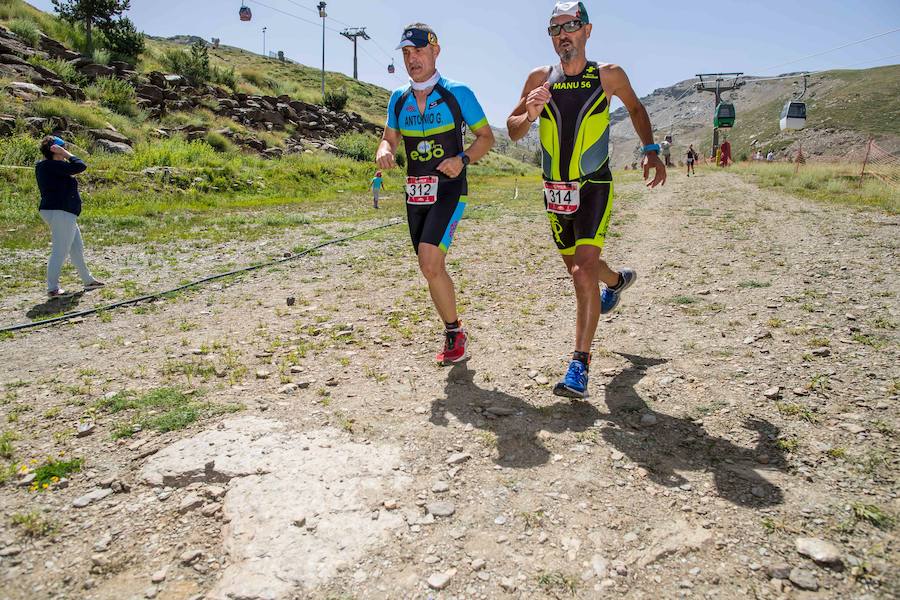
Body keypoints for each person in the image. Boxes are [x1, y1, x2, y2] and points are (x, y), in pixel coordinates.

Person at [507, 1, 665, 399]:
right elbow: (511, 130)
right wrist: (529, 113)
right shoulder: (539, 78)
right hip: (555, 189)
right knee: (581, 268)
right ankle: (616, 282)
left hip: (595, 184)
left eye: (571, 25)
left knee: (582, 269)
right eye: (555, 28)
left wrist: (649, 150)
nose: (563, 34)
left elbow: (636, 107)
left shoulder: (608, 75)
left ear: (587, 30)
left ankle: (580, 364)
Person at [376, 23, 494, 365]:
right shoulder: (399, 99)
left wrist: (463, 158)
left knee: (429, 260)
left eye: (419, 51)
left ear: (435, 51)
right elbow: (389, 138)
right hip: (416, 193)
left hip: (449, 189)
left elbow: (486, 137)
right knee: (430, 268)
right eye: (406, 53)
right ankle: (455, 330)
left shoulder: (458, 93)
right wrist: (385, 151)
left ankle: (454, 333)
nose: (413, 59)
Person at [35, 136, 104, 298]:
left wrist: (63, 154)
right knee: (60, 250)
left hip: (64, 212)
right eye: (62, 147)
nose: (65, 149)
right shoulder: (50, 165)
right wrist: (66, 153)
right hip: (60, 211)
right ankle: (52, 288)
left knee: (76, 248)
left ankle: (88, 280)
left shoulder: (52, 166)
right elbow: (80, 165)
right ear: (54, 150)